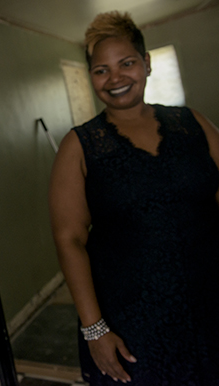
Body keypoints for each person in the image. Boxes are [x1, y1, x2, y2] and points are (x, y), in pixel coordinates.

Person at [49, 11, 219, 386]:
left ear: (146, 63)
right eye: (101, 70)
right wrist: (95, 330)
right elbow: (69, 239)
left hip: (210, 305)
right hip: (132, 324)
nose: (115, 78)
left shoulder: (193, 123)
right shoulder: (80, 146)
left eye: (126, 63)